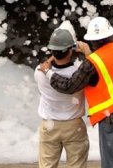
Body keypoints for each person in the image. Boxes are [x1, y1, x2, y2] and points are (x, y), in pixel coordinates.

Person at [41, 14, 113, 168]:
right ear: (111, 35)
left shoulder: (91, 64)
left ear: (91, 41)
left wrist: (48, 72)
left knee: (111, 163)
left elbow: (69, 86)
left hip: (112, 120)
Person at [34, 28, 89, 168]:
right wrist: (86, 51)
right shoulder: (78, 74)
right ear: (70, 50)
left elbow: (46, 64)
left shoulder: (39, 72)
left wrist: (56, 53)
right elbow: (94, 68)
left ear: (52, 51)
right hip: (73, 126)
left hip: (49, 125)